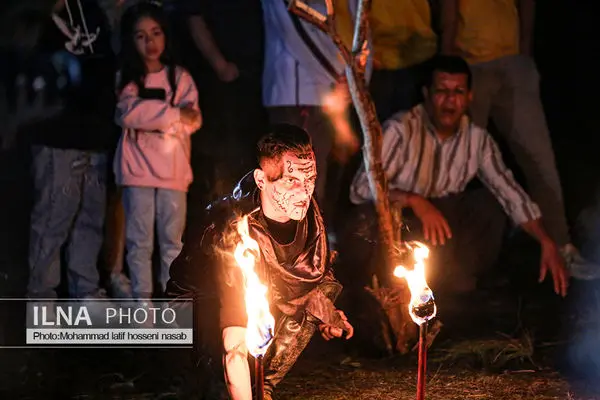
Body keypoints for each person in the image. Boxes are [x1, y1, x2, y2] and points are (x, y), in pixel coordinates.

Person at [349, 55, 569, 298]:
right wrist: (414, 201)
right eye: (442, 91)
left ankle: (455, 281)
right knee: (375, 224)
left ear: (469, 97)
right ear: (427, 94)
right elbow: (360, 189)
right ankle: (391, 287)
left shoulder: (477, 139)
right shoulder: (400, 129)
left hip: (443, 216)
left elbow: (510, 193)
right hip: (403, 218)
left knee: (488, 206)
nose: (450, 100)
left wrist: (546, 241)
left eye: (458, 91)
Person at [167, 124, 354, 400]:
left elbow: (309, 276)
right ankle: (214, 381)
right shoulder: (234, 232)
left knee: (320, 295)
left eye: (310, 179)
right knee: (218, 382)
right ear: (261, 179)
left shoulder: (311, 215)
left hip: (260, 299)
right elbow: (234, 347)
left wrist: (325, 312)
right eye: (291, 181)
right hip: (199, 311)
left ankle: (263, 385)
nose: (304, 192)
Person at [438, 0, 583, 265]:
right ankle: (448, 257)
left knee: (539, 158)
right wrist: (448, 66)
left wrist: (524, 53)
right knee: (458, 164)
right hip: (469, 64)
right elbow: (449, 11)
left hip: (512, 63)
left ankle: (561, 245)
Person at [25, 0, 118, 299]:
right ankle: (41, 298)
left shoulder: (95, 12)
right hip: (57, 135)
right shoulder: (38, 17)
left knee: (90, 220)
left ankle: (86, 292)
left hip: (95, 134)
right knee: (53, 218)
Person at [114, 1, 201, 299]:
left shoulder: (181, 78)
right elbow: (126, 113)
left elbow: (194, 119)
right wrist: (172, 114)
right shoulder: (127, 77)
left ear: (165, 34)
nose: (150, 42)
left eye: (155, 33)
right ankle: (143, 312)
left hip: (173, 174)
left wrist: (150, 115)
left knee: (172, 245)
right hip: (136, 173)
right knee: (139, 245)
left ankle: (172, 312)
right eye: (141, 36)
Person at [260, 0, 370, 223]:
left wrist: (357, 77)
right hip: (296, 95)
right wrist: (343, 77)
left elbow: (361, 23)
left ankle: (315, 240)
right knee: (292, 180)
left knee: (317, 177)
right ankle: (290, 245)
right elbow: (294, 31)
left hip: (331, 93)